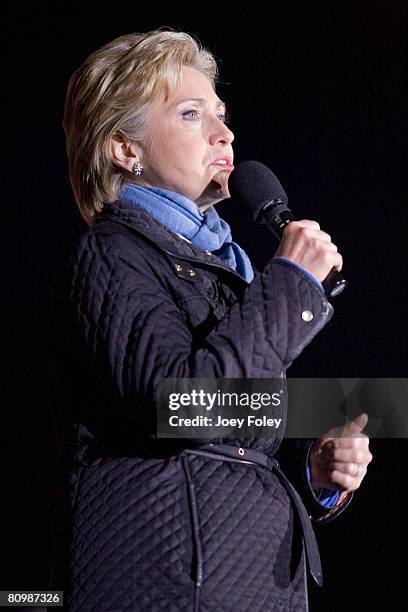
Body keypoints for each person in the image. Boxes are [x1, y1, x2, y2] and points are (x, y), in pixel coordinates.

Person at [44, 28, 373, 611]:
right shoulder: (113, 254)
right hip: (168, 585)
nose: (225, 134)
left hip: (248, 583)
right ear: (126, 149)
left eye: (221, 115)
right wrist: (291, 284)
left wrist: (317, 475)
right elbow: (181, 409)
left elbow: (232, 446)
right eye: (192, 114)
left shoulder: (225, 272)